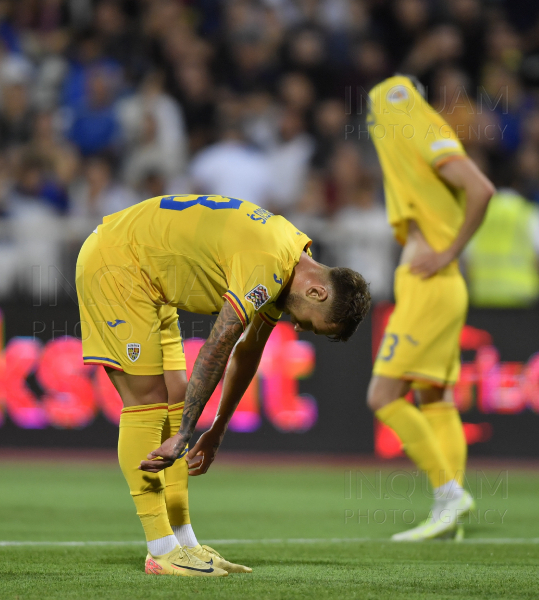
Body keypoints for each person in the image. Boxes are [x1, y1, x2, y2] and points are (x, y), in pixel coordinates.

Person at [76, 194, 371, 576]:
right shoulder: (269, 263)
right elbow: (219, 342)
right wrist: (185, 433)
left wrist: (215, 429)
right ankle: (160, 549)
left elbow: (247, 353)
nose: (299, 327)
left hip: (152, 279)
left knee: (177, 397)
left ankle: (184, 542)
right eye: (312, 323)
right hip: (117, 264)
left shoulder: (290, 260)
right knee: (146, 399)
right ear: (318, 292)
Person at [366, 75, 495, 541]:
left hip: (431, 284)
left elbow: (482, 188)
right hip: (439, 285)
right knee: (435, 399)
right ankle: (450, 514)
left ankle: (449, 495)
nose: (375, 121)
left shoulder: (425, 132)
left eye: (378, 111)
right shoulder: (419, 144)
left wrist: (448, 251)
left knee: (382, 397)